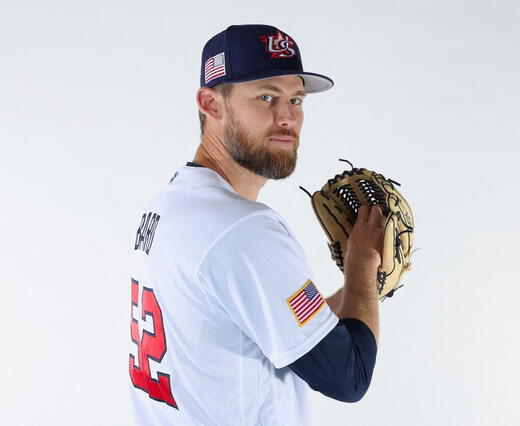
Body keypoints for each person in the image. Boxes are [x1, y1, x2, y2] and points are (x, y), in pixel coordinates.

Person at [129, 24, 384, 425]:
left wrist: (358, 291)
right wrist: (362, 270)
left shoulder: (169, 204)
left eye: (296, 99)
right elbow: (348, 378)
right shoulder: (244, 230)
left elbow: (276, 328)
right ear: (210, 103)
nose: (287, 117)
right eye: (266, 97)